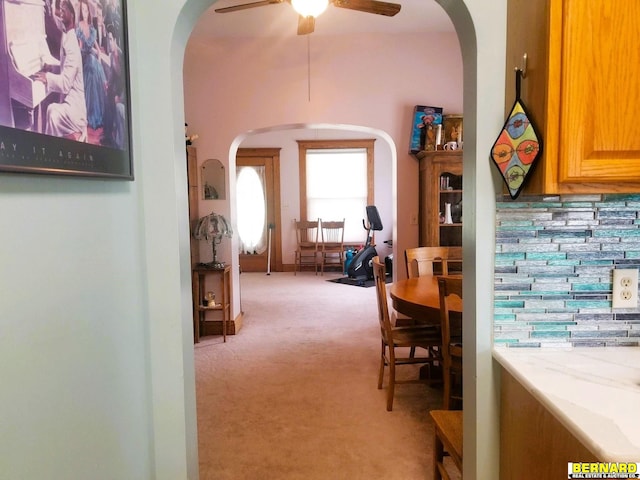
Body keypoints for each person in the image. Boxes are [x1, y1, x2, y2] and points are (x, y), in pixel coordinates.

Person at [33, 0, 87, 140]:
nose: (60, 13)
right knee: (50, 107)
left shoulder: (72, 44)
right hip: (70, 102)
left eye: (64, 10)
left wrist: (47, 78)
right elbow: (66, 67)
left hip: (75, 110)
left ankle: (52, 147)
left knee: (52, 111)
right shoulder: (67, 36)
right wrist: (53, 68)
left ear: (73, 15)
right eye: (60, 9)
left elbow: (65, 84)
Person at [76, 0, 107, 129]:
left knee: (95, 65)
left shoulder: (91, 27)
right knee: (92, 65)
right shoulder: (79, 27)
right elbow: (79, 47)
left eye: (86, 10)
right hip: (84, 59)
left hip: (92, 60)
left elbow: (97, 49)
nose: (84, 12)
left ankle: (98, 114)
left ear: (89, 11)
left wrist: (99, 56)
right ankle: (92, 114)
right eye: (82, 10)